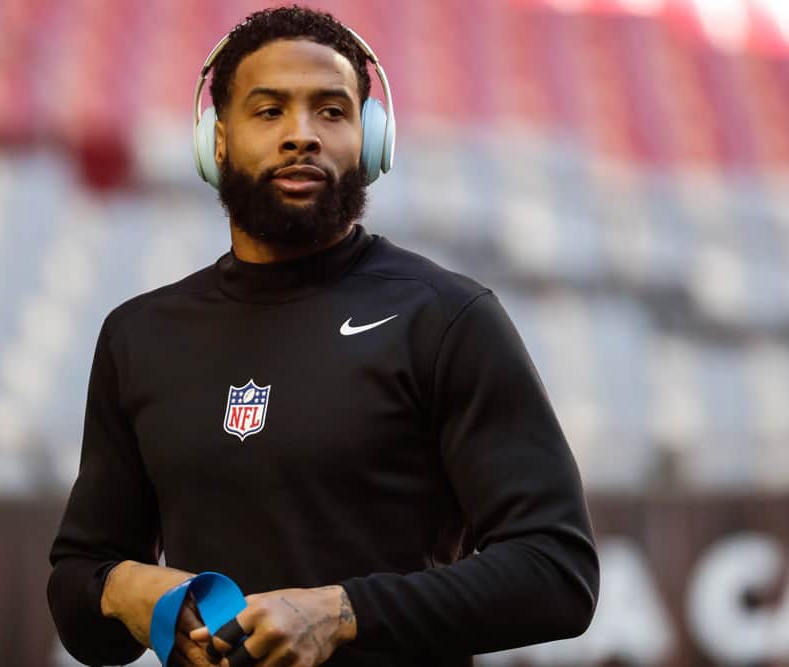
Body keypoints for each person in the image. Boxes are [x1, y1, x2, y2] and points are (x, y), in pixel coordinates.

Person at [47, 6, 599, 667]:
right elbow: (80, 597)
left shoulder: (447, 317)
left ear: (370, 140)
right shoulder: (138, 336)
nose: (301, 135)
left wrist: (342, 613)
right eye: (269, 110)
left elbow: (558, 570)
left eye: (331, 111)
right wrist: (123, 587)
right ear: (215, 139)